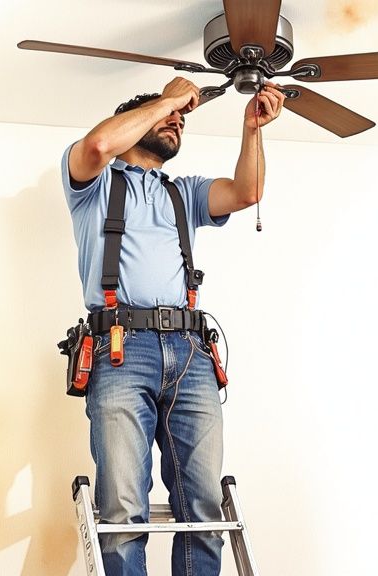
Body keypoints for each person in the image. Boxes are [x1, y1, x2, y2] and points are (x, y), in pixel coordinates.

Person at [60, 76, 285, 576]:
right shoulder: (92, 184)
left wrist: (252, 129)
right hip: (119, 351)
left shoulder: (184, 193)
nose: (178, 120)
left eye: (182, 118)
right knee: (121, 509)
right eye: (168, 115)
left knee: (203, 508)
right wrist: (167, 99)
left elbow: (247, 192)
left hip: (191, 353)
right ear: (135, 119)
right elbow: (98, 143)